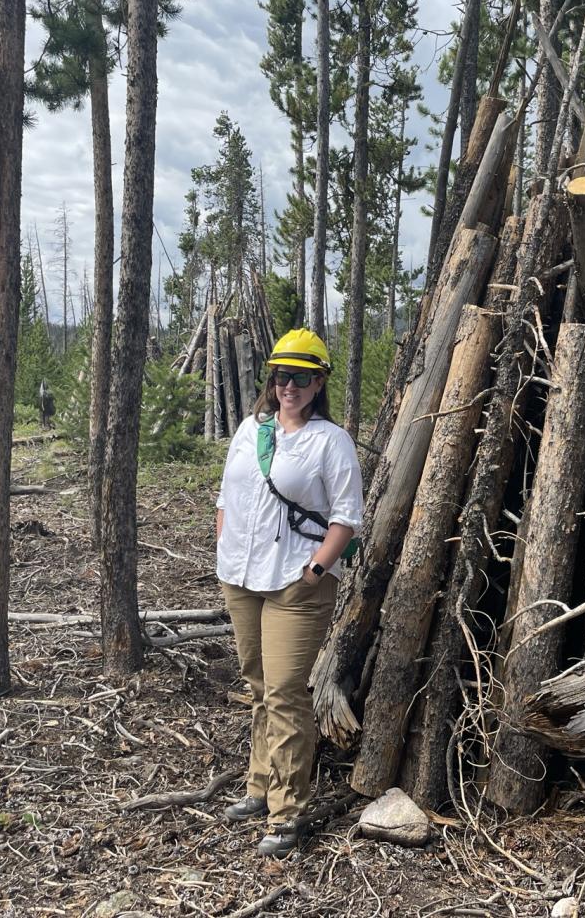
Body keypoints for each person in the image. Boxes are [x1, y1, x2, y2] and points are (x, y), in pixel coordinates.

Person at [214, 329, 363, 857]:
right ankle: (260, 785)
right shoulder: (250, 430)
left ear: (319, 381)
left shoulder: (330, 441)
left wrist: (316, 571)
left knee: (284, 693)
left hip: (293, 584)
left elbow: (347, 517)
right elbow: (227, 496)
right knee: (258, 685)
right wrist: (225, 545)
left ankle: (287, 812)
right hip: (241, 576)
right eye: (281, 375)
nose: (289, 385)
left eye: (301, 376)